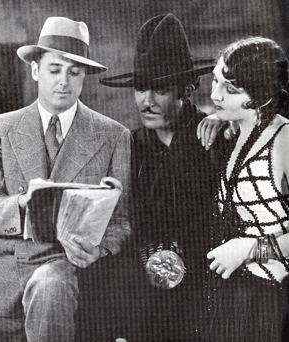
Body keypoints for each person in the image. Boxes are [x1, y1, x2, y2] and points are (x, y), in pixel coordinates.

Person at [0, 16, 132, 342]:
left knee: (51, 286)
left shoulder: (113, 135)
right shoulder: (0, 128)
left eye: (75, 72)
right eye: (55, 69)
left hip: (64, 270)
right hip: (1, 274)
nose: (64, 82)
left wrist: (99, 250)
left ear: (84, 76)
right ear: (35, 70)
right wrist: (23, 206)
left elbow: (122, 221)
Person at [100, 13, 223, 342]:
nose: (147, 101)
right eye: (140, 89)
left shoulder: (215, 138)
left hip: (212, 286)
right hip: (148, 291)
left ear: (186, 89)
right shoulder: (130, 147)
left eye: (160, 90)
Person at [202, 36, 289, 342]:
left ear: (261, 94)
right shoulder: (234, 131)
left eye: (230, 88)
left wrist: (249, 249)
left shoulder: (284, 140)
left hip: (271, 300)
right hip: (230, 296)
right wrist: (221, 116)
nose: (215, 94)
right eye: (215, 80)